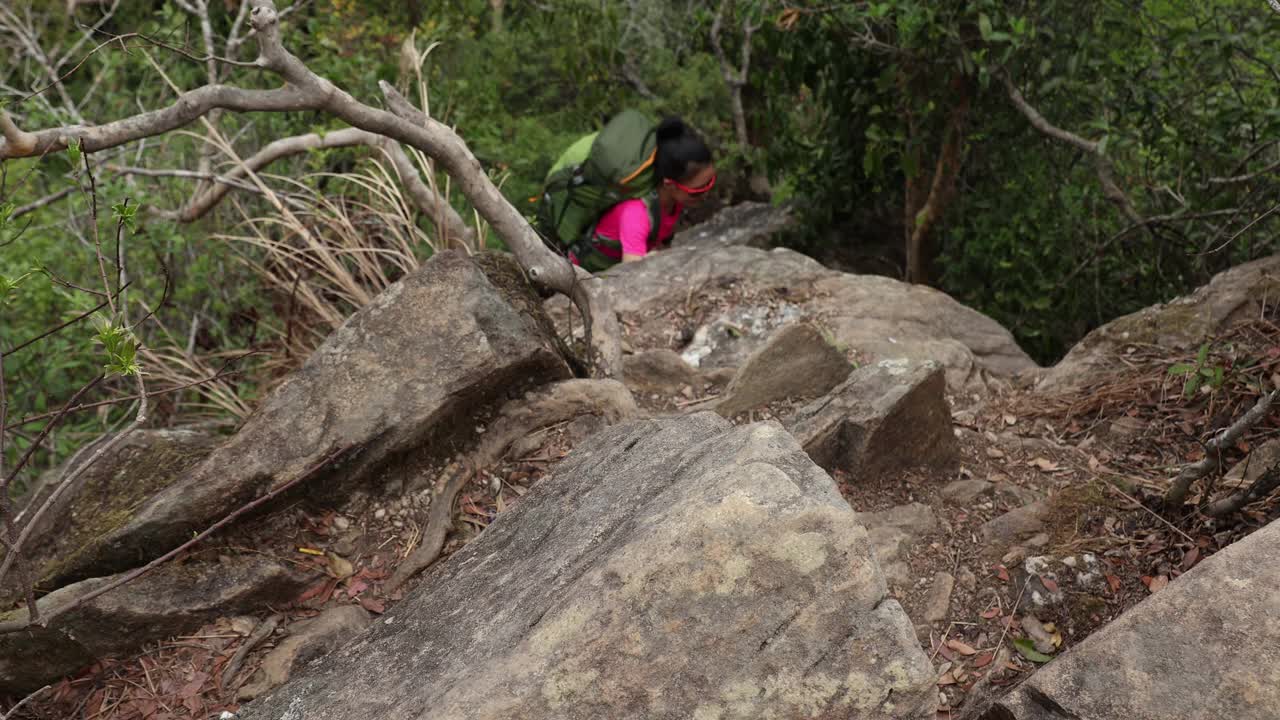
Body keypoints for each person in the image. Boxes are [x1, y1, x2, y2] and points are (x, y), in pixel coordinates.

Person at [571, 117, 715, 268]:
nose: (705, 194)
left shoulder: (674, 201)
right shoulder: (636, 214)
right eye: (697, 190)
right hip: (588, 275)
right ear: (670, 185)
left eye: (710, 182)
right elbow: (632, 272)